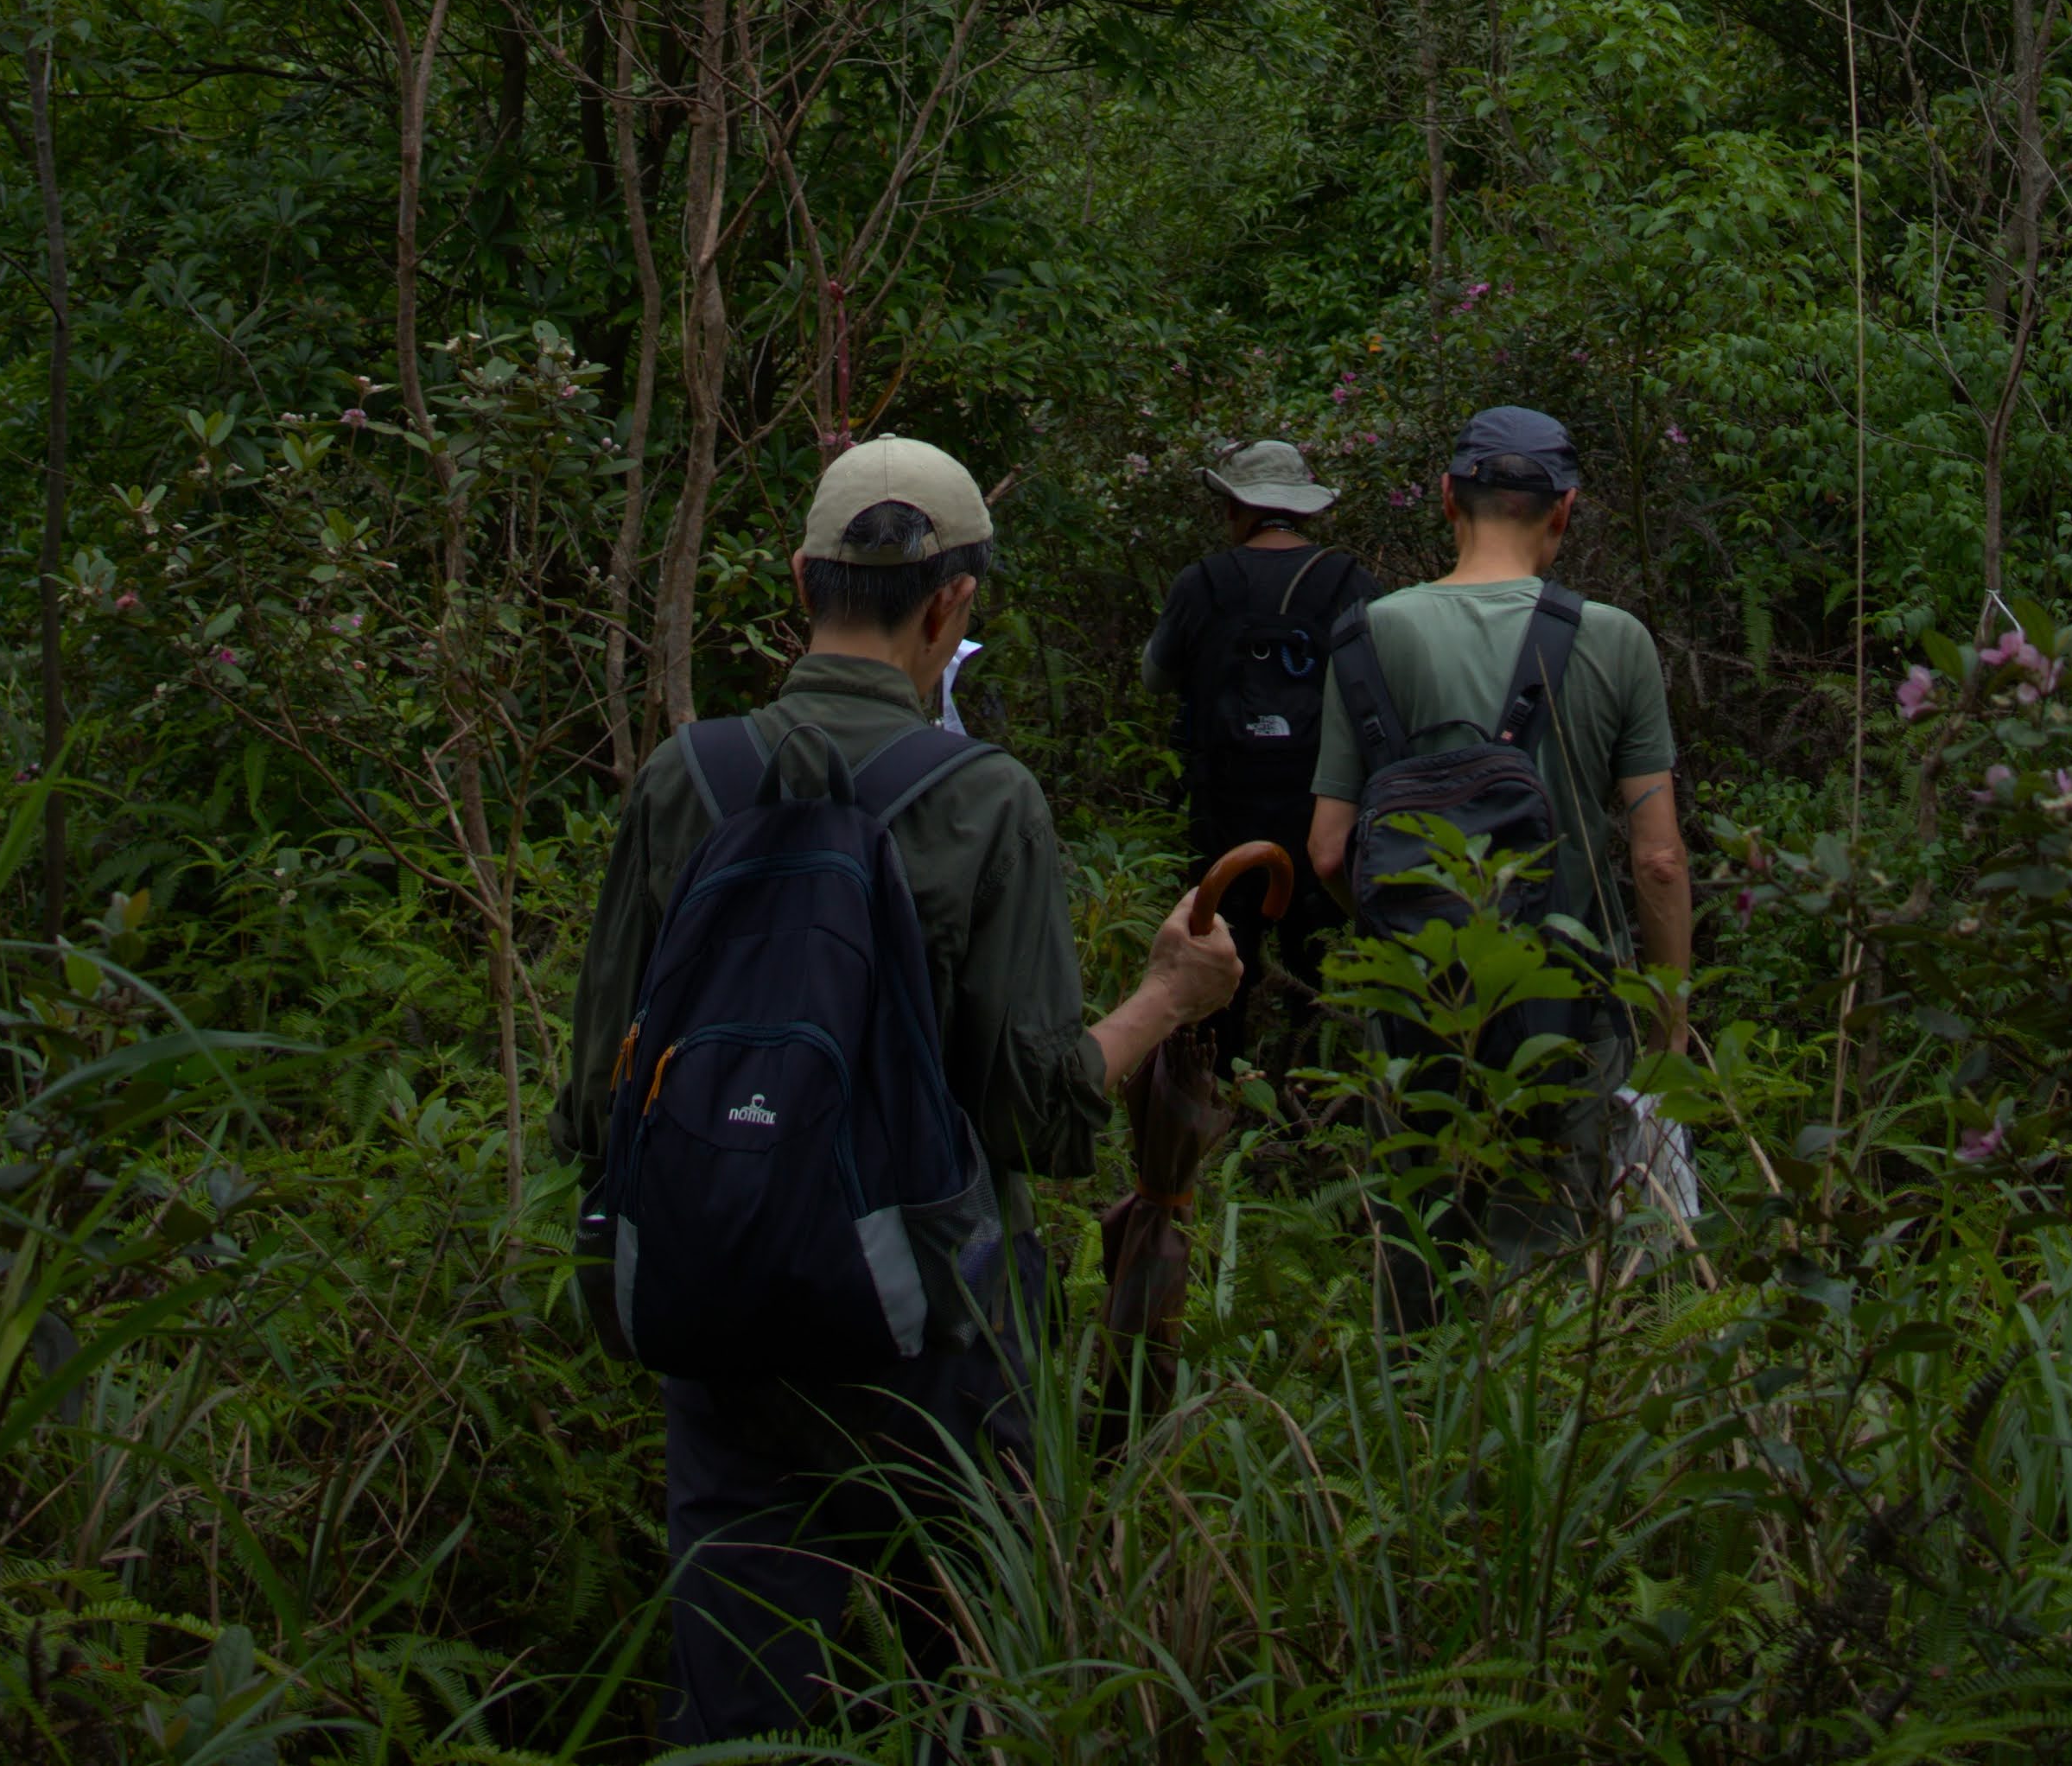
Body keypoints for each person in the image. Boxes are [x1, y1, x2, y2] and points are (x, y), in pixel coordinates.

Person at [556, 435, 1242, 1746]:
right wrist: (1166, 996)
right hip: (936, 1331)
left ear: (798, 580)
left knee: (738, 1701)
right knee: (957, 1687)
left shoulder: (681, 778)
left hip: (717, 1317)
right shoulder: (984, 799)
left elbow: (596, 1100)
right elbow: (1037, 1115)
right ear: (952, 604)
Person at [1307, 402, 1691, 1302]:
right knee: (1552, 1266)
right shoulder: (1614, 641)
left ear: (1447, 497)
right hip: (1573, 1010)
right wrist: (1668, 1024)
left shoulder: (1369, 633)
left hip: (1416, 1011)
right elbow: (1659, 861)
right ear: (1565, 509)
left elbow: (1328, 851)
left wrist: (1409, 941)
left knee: (1417, 1255)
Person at [1141, 435, 1375, 1074]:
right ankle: (1312, 1091)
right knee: (1316, 958)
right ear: (1305, 509)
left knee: (1221, 945)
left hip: (1224, 805)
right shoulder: (1350, 582)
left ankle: (1212, 1087)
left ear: (1235, 507)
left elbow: (1155, 678)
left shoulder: (1203, 581)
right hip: (1323, 809)